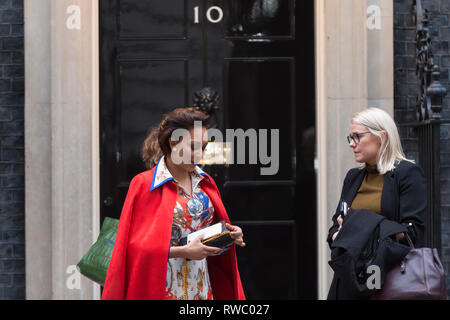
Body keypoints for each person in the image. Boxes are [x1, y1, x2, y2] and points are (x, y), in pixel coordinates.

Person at [101, 107, 246, 300]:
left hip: (202, 288)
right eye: (193, 147)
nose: (199, 155)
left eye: (202, 148)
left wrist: (228, 234)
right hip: (162, 288)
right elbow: (132, 248)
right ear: (173, 143)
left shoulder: (205, 182)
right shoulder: (144, 184)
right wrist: (182, 251)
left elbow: (206, 232)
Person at [327, 107, 426, 299]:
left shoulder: (406, 173)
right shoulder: (353, 177)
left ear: (382, 136)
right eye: (350, 138)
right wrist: (338, 234)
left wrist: (355, 228)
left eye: (357, 136)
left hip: (389, 279)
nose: (351, 144)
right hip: (350, 280)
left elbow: (412, 231)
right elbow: (334, 229)